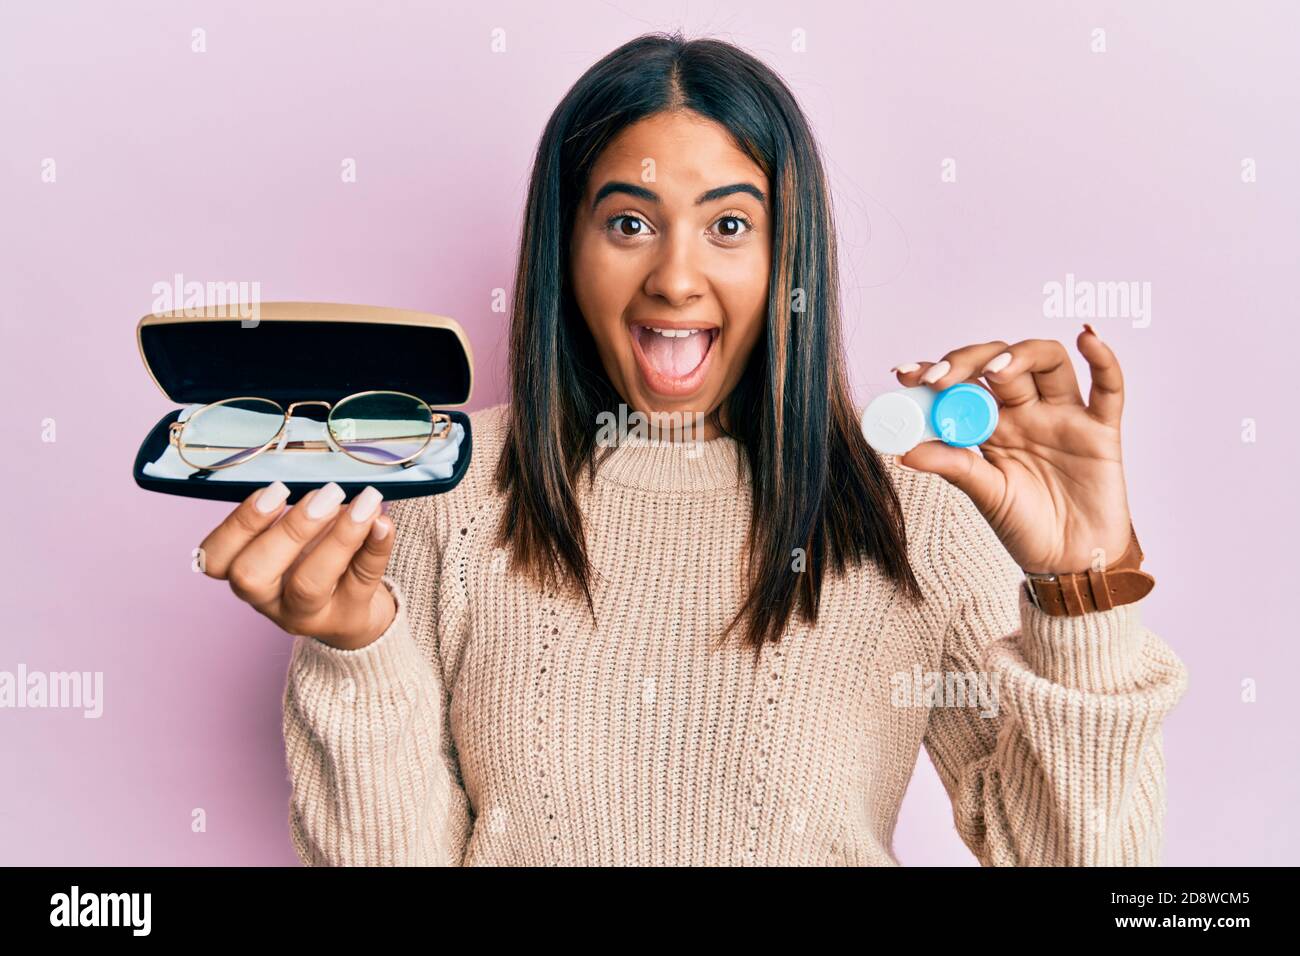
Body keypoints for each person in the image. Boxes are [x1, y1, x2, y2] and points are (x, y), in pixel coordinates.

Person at [196, 31, 1188, 866]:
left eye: (728, 224)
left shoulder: (910, 508)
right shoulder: (443, 492)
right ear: (564, 247)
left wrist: (1079, 591)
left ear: (786, 253)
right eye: (628, 220)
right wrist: (350, 644)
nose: (676, 276)